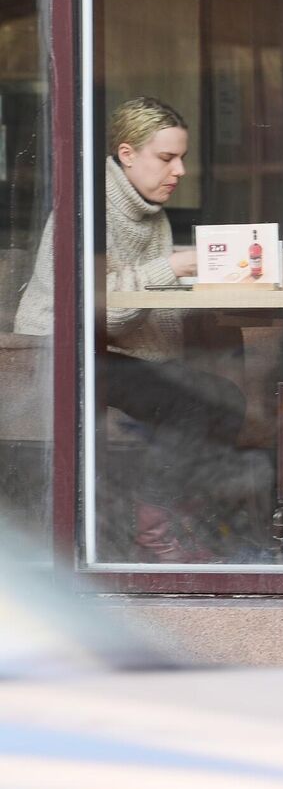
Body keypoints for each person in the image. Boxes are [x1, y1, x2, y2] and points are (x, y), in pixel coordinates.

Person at [16, 96, 248, 562]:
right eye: (167, 158)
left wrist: (204, 283)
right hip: (63, 346)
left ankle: (176, 518)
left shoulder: (149, 211)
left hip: (114, 350)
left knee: (225, 398)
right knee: (190, 401)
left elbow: (149, 302)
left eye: (181, 157)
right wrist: (173, 267)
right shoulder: (89, 207)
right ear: (127, 155)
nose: (179, 170)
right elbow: (102, 310)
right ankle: (154, 534)